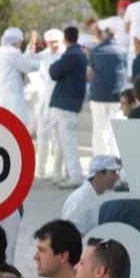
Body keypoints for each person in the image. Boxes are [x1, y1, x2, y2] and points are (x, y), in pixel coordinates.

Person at [49, 26, 89, 189]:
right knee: (61, 139)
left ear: (65, 39)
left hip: (66, 102)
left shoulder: (72, 54)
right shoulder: (78, 53)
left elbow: (53, 71)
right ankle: (58, 172)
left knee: (67, 140)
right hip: (69, 102)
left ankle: (75, 175)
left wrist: (55, 68)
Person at [88, 29, 126, 157]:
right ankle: (115, 160)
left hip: (98, 94)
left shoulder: (96, 50)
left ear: (104, 36)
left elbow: (91, 71)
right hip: (117, 95)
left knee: (99, 130)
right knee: (115, 131)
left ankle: (99, 161)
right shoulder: (123, 50)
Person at [61, 154, 122, 233]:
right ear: (99, 174)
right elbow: (73, 238)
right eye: (113, 172)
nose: (117, 177)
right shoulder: (80, 200)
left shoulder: (98, 196)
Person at [34, 30, 65, 181]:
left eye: (55, 42)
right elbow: (29, 60)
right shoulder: (44, 55)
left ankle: (57, 171)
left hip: (60, 100)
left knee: (60, 137)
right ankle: (41, 170)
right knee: (42, 136)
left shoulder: (66, 55)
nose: (53, 45)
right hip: (45, 101)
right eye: (50, 42)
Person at [0, 27, 41, 127]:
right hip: (13, 94)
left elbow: (19, 62)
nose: (21, 43)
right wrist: (42, 64)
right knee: (15, 124)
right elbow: (26, 66)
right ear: (16, 40)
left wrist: (29, 51)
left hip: (1, 93)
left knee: (3, 124)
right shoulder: (13, 52)